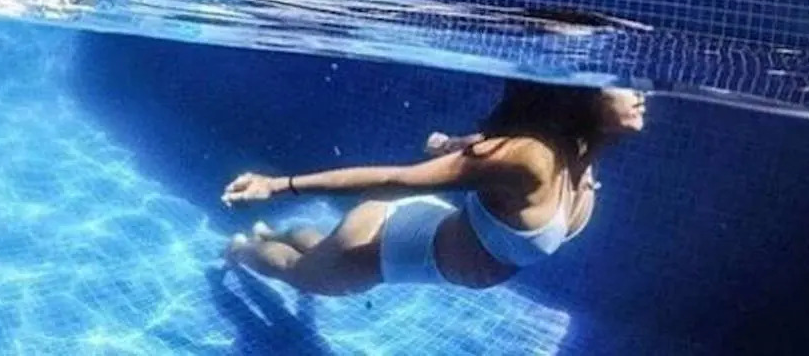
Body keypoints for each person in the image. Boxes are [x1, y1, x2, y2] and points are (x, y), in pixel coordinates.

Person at [221, 82, 645, 296]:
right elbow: (395, 180)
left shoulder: (579, 152)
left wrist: (460, 145)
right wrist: (277, 185)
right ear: (582, 94)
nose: (640, 91)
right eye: (623, 83)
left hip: (415, 234)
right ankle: (241, 250)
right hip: (394, 245)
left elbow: (501, 149)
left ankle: (270, 233)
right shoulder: (535, 159)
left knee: (322, 252)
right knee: (300, 274)